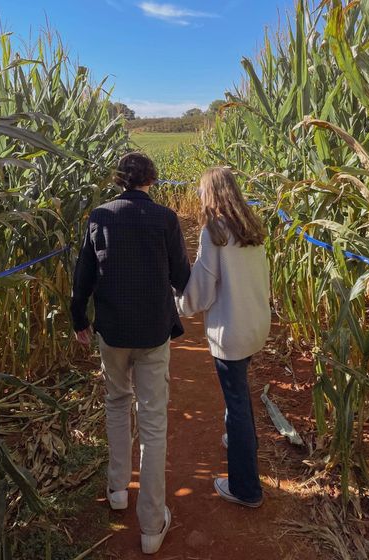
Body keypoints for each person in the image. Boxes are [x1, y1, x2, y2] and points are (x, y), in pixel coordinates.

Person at [71, 152, 190, 554]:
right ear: (151, 181)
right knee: (153, 422)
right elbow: (180, 277)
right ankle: (152, 524)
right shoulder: (165, 219)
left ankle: (118, 488)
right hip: (154, 332)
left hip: (113, 331)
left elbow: (84, 272)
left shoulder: (99, 216)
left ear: (119, 180)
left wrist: (78, 317)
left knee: (117, 403)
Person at [176, 166, 270, 508]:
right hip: (254, 324)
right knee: (241, 392)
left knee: (237, 400)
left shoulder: (213, 231)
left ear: (212, 192)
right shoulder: (251, 227)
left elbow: (201, 288)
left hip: (231, 331)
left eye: (202, 190)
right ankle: (238, 438)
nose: (199, 196)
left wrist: (179, 305)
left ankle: (246, 488)